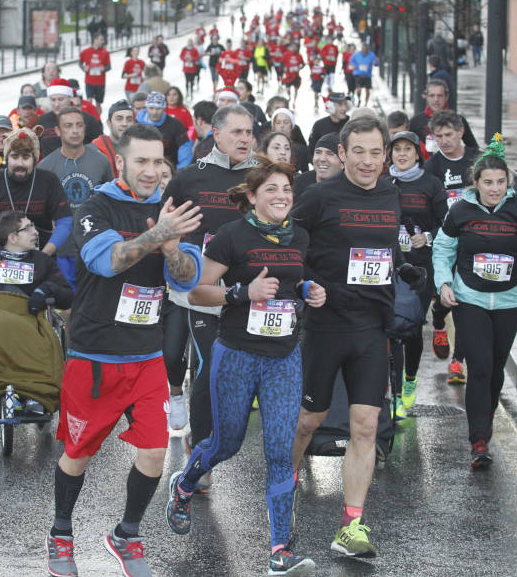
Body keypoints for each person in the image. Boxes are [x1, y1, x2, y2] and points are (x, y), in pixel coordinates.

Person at [44, 123, 202, 577]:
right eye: (141, 161)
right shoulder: (96, 206)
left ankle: (127, 534)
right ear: (121, 163)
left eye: (158, 162)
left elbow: (187, 278)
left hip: (146, 357)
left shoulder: (172, 209)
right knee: (78, 455)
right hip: (95, 357)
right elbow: (108, 261)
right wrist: (158, 236)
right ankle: (61, 532)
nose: (151, 171)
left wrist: (173, 249)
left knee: (154, 452)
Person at [166, 157, 320, 576]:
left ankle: (279, 549)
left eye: (287, 190)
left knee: (277, 451)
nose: (281, 196)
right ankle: (183, 483)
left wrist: (308, 288)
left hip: (284, 358)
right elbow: (198, 293)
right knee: (226, 443)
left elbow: (292, 281)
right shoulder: (231, 237)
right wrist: (242, 292)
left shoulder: (299, 237)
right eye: (271, 189)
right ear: (252, 197)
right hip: (236, 355)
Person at [290, 116, 427, 558]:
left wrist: (401, 265)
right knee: (309, 421)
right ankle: (282, 489)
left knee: (365, 426)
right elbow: (289, 246)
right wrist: (307, 284)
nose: (368, 161)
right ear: (343, 154)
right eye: (360, 152)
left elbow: (385, 245)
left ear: (385, 156)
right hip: (326, 326)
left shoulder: (390, 194)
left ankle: (351, 526)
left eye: (376, 152)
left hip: (372, 325)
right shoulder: (318, 197)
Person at [432, 135, 517, 467]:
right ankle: (478, 441)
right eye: (488, 182)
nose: (494, 188)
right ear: (476, 183)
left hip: (509, 300)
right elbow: (443, 249)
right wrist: (444, 282)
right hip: (469, 298)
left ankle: (484, 418)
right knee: (480, 367)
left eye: (500, 182)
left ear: (508, 183)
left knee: (496, 368)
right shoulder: (460, 210)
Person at [162, 105, 257, 462]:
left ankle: (212, 430)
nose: (245, 138)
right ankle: (200, 449)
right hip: (199, 287)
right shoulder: (191, 176)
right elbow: (163, 220)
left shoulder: (261, 176)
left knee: (227, 371)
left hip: (246, 289)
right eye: (237, 132)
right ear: (216, 134)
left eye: (249, 132)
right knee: (205, 363)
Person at [0, 210, 74, 420]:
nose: (35, 232)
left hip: (30, 315)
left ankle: (35, 393)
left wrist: (45, 290)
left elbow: (67, 295)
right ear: (12, 237)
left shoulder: (42, 261)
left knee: (42, 337)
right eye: (28, 228)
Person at [387, 131, 446, 418]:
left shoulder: (431, 184)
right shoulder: (384, 182)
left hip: (420, 267)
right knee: (390, 328)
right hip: (388, 264)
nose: (401, 154)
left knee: (411, 326)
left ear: (417, 153)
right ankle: (394, 391)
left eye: (407, 149)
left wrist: (429, 238)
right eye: (396, 149)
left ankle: (410, 378)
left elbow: (445, 223)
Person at [423, 110, 480, 383]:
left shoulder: (477, 159)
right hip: (445, 241)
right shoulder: (433, 166)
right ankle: (437, 320)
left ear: (461, 132)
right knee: (447, 298)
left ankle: (458, 361)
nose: (444, 141)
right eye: (439, 136)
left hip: (474, 240)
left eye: (449, 135)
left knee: (467, 303)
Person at [38, 107, 114, 290]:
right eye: (68, 126)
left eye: (79, 125)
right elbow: (40, 210)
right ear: (58, 131)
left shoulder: (101, 162)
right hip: (62, 248)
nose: (75, 130)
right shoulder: (45, 167)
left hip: (95, 244)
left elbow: (111, 202)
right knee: (68, 304)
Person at [0, 128, 71, 256]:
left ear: (34, 159)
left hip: (41, 253)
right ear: (7, 157)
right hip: (0, 256)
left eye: (26, 157)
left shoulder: (49, 180)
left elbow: (65, 221)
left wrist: (44, 256)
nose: (20, 163)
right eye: (14, 156)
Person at [35, 78, 103, 156]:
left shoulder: (87, 119)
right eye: (53, 100)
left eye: (60, 99)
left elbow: (100, 147)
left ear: (70, 98)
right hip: (49, 167)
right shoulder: (42, 120)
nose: (56, 104)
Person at [408, 80, 479, 155]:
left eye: (440, 96)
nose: (436, 100)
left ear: (446, 97)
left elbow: (474, 149)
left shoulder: (458, 120)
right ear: (426, 96)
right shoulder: (415, 122)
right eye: (432, 96)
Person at [136, 92, 190, 169]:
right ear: (146, 107)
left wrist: (180, 171)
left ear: (164, 108)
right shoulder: (137, 123)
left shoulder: (175, 124)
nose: (154, 112)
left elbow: (185, 149)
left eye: (158, 108)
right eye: (151, 108)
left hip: (169, 167)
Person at [93, 99, 136, 179]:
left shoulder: (141, 147)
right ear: (109, 123)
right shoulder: (96, 148)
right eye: (119, 119)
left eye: (129, 119)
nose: (124, 124)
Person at [295, 131, 343, 200]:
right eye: (318, 152)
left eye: (330, 154)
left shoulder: (351, 189)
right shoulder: (299, 183)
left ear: (342, 163)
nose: (322, 159)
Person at [271, 107, 309, 173]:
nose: (282, 125)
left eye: (286, 122)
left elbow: (305, 173)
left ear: (292, 125)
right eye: (278, 122)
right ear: (273, 126)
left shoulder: (301, 150)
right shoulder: (266, 148)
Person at [80, 34, 112, 105]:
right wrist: (84, 68)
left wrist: (104, 69)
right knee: (89, 101)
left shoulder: (105, 52)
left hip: (100, 82)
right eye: (101, 40)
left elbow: (109, 66)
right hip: (89, 81)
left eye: (103, 40)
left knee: (98, 103)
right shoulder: (86, 51)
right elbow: (80, 62)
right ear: (95, 40)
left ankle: (97, 116)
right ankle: (90, 116)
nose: (103, 42)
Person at [349, 41, 378, 107]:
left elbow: (376, 62)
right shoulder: (357, 54)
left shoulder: (371, 55)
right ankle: (359, 99)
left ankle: (366, 103)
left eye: (366, 49)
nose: (364, 50)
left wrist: (375, 63)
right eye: (363, 49)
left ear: (368, 49)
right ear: (361, 49)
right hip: (358, 74)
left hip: (367, 75)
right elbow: (351, 60)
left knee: (367, 90)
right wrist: (354, 65)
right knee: (358, 89)